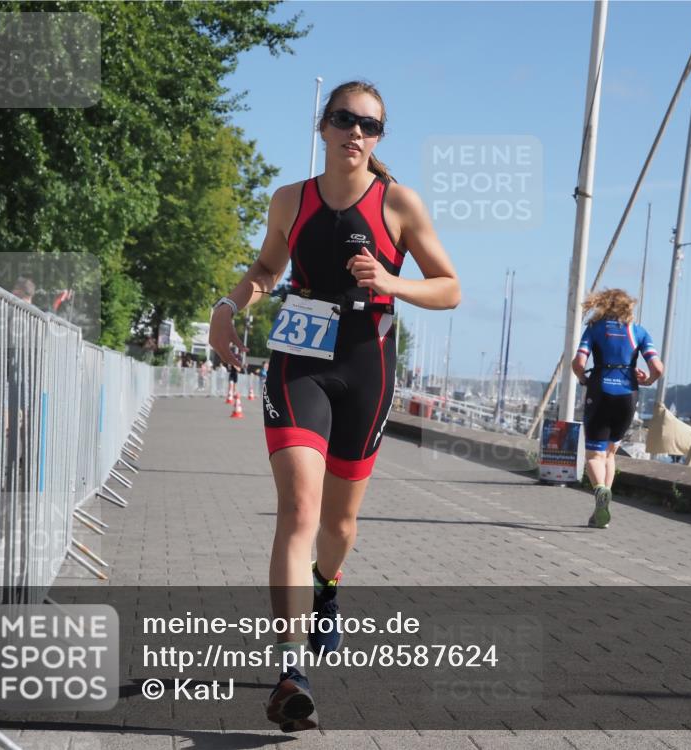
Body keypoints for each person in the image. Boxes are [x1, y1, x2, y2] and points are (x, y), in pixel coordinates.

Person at [208, 80, 460, 731]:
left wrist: (391, 280)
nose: (357, 132)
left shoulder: (398, 202)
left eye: (370, 126)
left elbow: (451, 288)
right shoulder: (291, 199)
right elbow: (267, 268)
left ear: (378, 139)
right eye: (346, 119)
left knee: (339, 525)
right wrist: (228, 307)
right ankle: (292, 669)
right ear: (323, 125)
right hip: (299, 360)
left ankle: (328, 586)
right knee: (299, 508)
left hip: (365, 366)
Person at [571, 288, 663, 529]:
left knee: (594, 454)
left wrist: (583, 379)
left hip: (599, 391)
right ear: (628, 307)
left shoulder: (595, 329)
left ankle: (600, 490)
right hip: (627, 394)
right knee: (611, 453)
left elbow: (579, 362)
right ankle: (603, 504)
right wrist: (648, 380)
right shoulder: (639, 332)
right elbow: (658, 368)